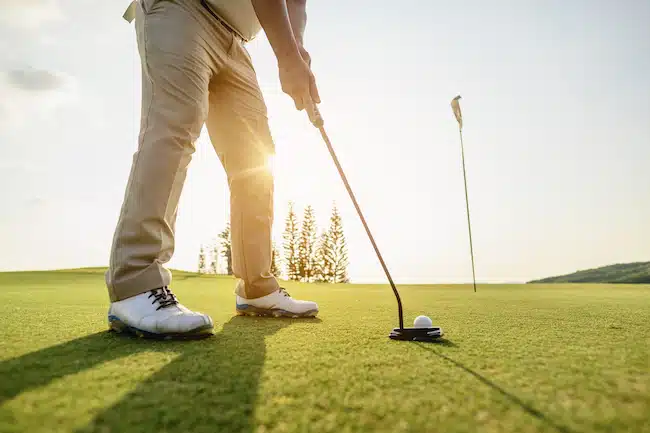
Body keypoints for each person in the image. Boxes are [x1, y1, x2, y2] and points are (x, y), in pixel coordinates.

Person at [107, 0, 320, 339]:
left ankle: (257, 287)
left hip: (234, 39)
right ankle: (135, 283)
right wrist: (287, 58)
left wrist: (297, 50)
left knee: (255, 157)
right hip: (181, 7)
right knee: (176, 126)